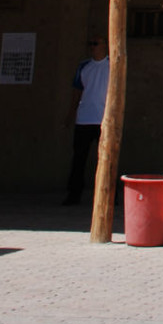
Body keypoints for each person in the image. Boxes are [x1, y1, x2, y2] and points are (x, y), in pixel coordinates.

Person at [62, 36, 110, 205]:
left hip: (104, 119)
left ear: (105, 45)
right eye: (90, 44)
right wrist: (71, 113)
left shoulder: (112, 65)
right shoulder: (84, 66)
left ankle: (109, 196)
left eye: (95, 43)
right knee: (79, 158)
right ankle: (73, 194)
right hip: (84, 119)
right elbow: (77, 91)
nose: (92, 47)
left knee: (106, 159)